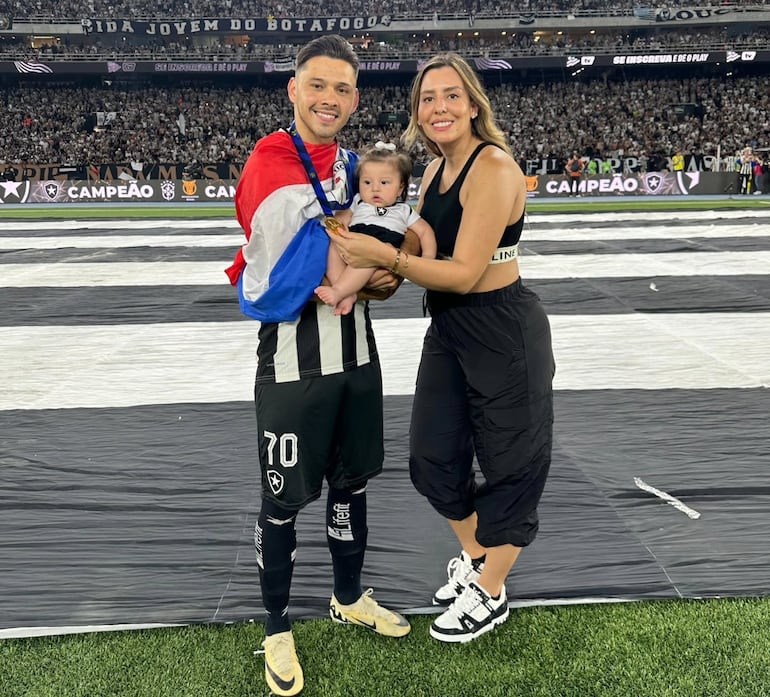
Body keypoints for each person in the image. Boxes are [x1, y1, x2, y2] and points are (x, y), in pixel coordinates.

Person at [325, 52, 555, 644]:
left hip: (502, 328)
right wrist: (376, 273)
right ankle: (480, 560)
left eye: (452, 95)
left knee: (512, 465)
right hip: (450, 328)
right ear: (417, 113)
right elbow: (416, 251)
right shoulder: (429, 174)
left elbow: (462, 271)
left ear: (474, 104)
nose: (439, 107)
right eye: (428, 98)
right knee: (431, 457)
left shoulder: (494, 168)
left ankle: (492, 590)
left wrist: (387, 261)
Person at [224, 35, 414, 697]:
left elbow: (388, 268)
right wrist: (354, 265)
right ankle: (277, 625)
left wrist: (374, 274)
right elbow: (270, 275)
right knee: (282, 500)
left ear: (354, 99)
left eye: (342, 88)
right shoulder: (270, 161)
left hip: (357, 355)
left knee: (351, 483)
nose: (329, 98)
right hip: (291, 364)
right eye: (318, 85)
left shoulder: (362, 168)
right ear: (294, 90)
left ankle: (348, 594)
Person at [315, 141, 436, 315]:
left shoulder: (403, 210)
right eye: (367, 182)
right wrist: (339, 232)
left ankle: (341, 291)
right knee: (333, 248)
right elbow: (342, 219)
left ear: (400, 187)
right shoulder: (358, 202)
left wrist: (427, 259)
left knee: (368, 259)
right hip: (353, 242)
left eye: (384, 183)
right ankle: (341, 287)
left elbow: (425, 232)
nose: (375, 188)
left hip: (379, 248)